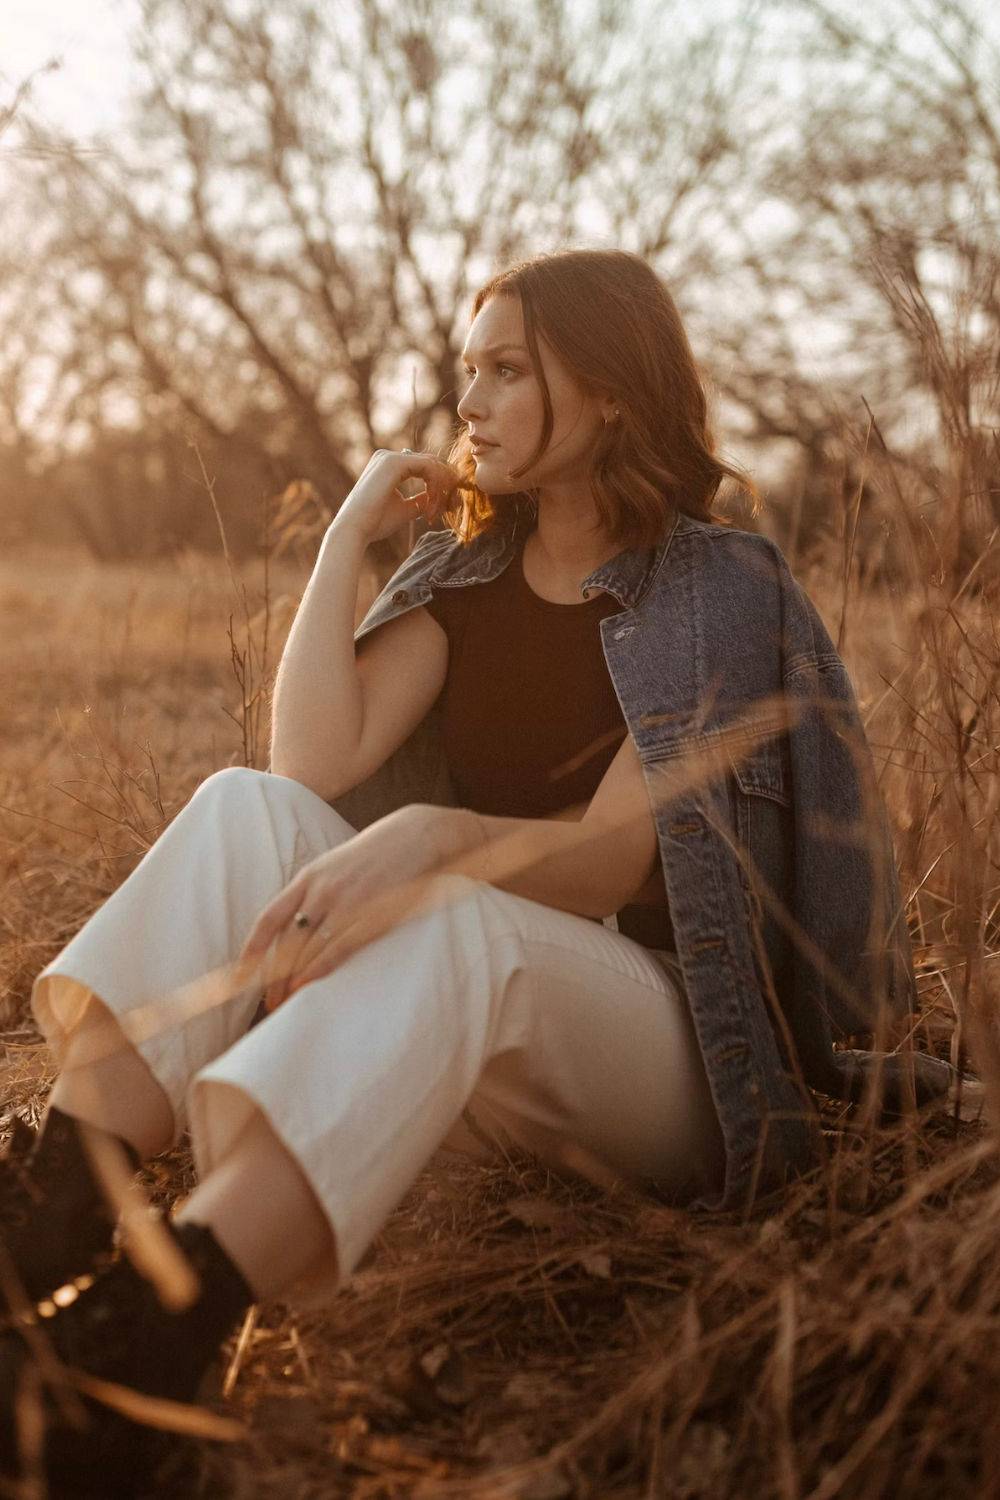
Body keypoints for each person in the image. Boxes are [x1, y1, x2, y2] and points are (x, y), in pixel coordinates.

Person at [0, 248, 954, 1493]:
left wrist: (439, 843)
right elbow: (309, 763)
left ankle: (151, 1349)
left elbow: (620, 850)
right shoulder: (468, 577)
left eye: (506, 370)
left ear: (610, 389)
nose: (469, 402)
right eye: (467, 372)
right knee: (245, 808)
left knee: (466, 924)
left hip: (669, 1049)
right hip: (473, 1025)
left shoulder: (717, 585)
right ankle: (51, 1240)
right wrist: (349, 535)